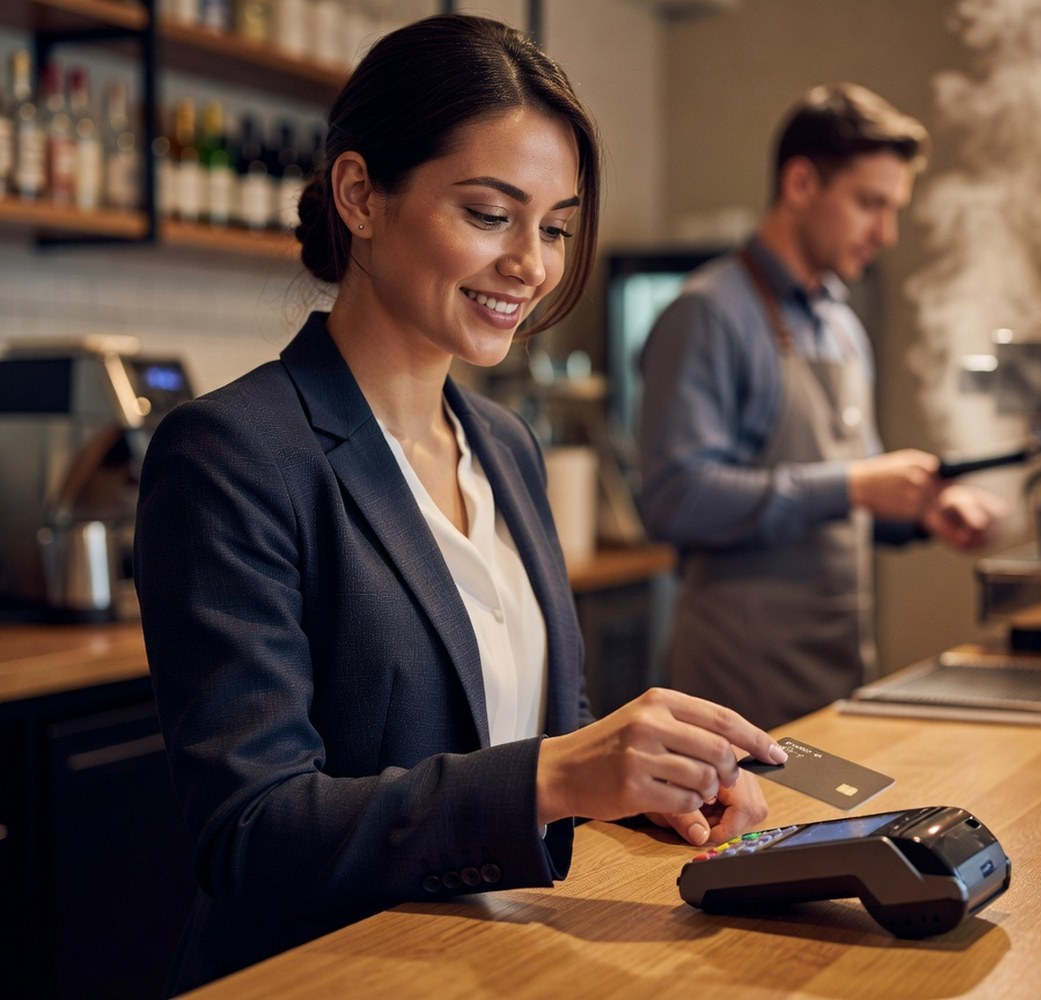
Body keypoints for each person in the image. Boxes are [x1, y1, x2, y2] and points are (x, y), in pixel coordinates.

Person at [134, 15, 786, 993]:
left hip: (496, 957)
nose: (532, 262)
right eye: (490, 214)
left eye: (556, 226)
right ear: (360, 195)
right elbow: (253, 831)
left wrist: (646, 789)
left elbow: (520, 732)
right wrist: (564, 773)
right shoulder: (233, 453)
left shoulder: (505, 446)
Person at [635, 83, 1005, 729]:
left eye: (894, 209)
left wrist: (924, 510)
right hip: (736, 697)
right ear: (801, 183)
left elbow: (849, 496)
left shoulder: (840, 327)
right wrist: (856, 483)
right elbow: (674, 498)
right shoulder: (708, 313)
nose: (885, 233)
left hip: (836, 682)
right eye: (869, 204)